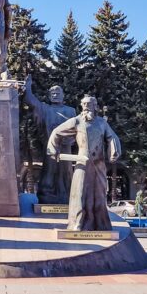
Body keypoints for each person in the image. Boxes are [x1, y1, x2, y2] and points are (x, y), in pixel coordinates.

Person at [47, 95, 121, 232]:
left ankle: (101, 224)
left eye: (89, 104)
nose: (86, 106)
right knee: (80, 192)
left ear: (95, 105)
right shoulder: (76, 121)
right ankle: (78, 223)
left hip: (99, 164)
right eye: (84, 104)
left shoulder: (102, 123)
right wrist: (52, 149)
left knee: (99, 193)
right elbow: (56, 132)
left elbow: (112, 136)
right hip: (82, 162)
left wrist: (113, 150)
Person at [23, 75, 78, 205]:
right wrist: (28, 87)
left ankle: (68, 196)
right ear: (49, 96)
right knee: (50, 171)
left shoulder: (70, 111)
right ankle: (47, 195)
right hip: (51, 148)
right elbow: (31, 101)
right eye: (52, 93)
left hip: (66, 147)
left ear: (63, 95)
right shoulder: (45, 109)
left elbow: (78, 129)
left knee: (66, 173)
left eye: (58, 93)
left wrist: (71, 140)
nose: (55, 95)